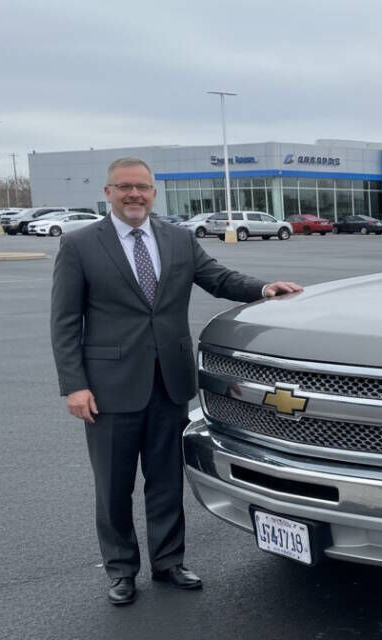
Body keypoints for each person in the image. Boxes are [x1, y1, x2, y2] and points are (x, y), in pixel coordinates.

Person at [50, 157, 303, 606]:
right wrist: (75, 385)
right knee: (113, 486)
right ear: (107, 192)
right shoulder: (80, 245)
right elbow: (65, 322)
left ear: (154, 192)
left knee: (166, 479)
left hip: (169, 382)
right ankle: (122, 569)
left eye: (143, 187)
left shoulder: (179, 240)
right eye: (124, 187)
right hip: (108, 389)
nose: (134, 195)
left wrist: (265, 289)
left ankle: (168, 563)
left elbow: (220, 279)